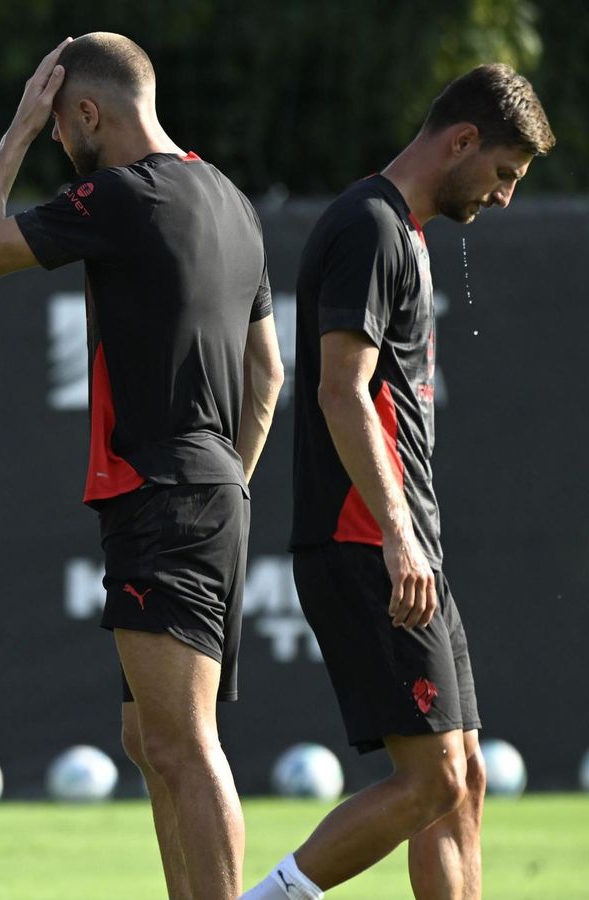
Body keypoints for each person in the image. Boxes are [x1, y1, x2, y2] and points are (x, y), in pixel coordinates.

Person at [0, 33, 283, 899]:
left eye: (60, 124)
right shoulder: (230, 196)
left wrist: (14, 133)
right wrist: (229, 480)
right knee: (149, 738)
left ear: (87, 111)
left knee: (182, 741)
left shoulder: (121, 196)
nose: (59, 141)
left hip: (164, 492)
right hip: (209, 488)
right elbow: (268, 372)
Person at [241, 63, 554, 900]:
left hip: (402, 540)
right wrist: (397, 533)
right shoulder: (370, 227)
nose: (503, 198)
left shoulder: (404, 231)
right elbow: (339, 388)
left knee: (464, 779)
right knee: (430, 781)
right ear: (461, 142)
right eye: (502, 174)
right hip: (369, 541)